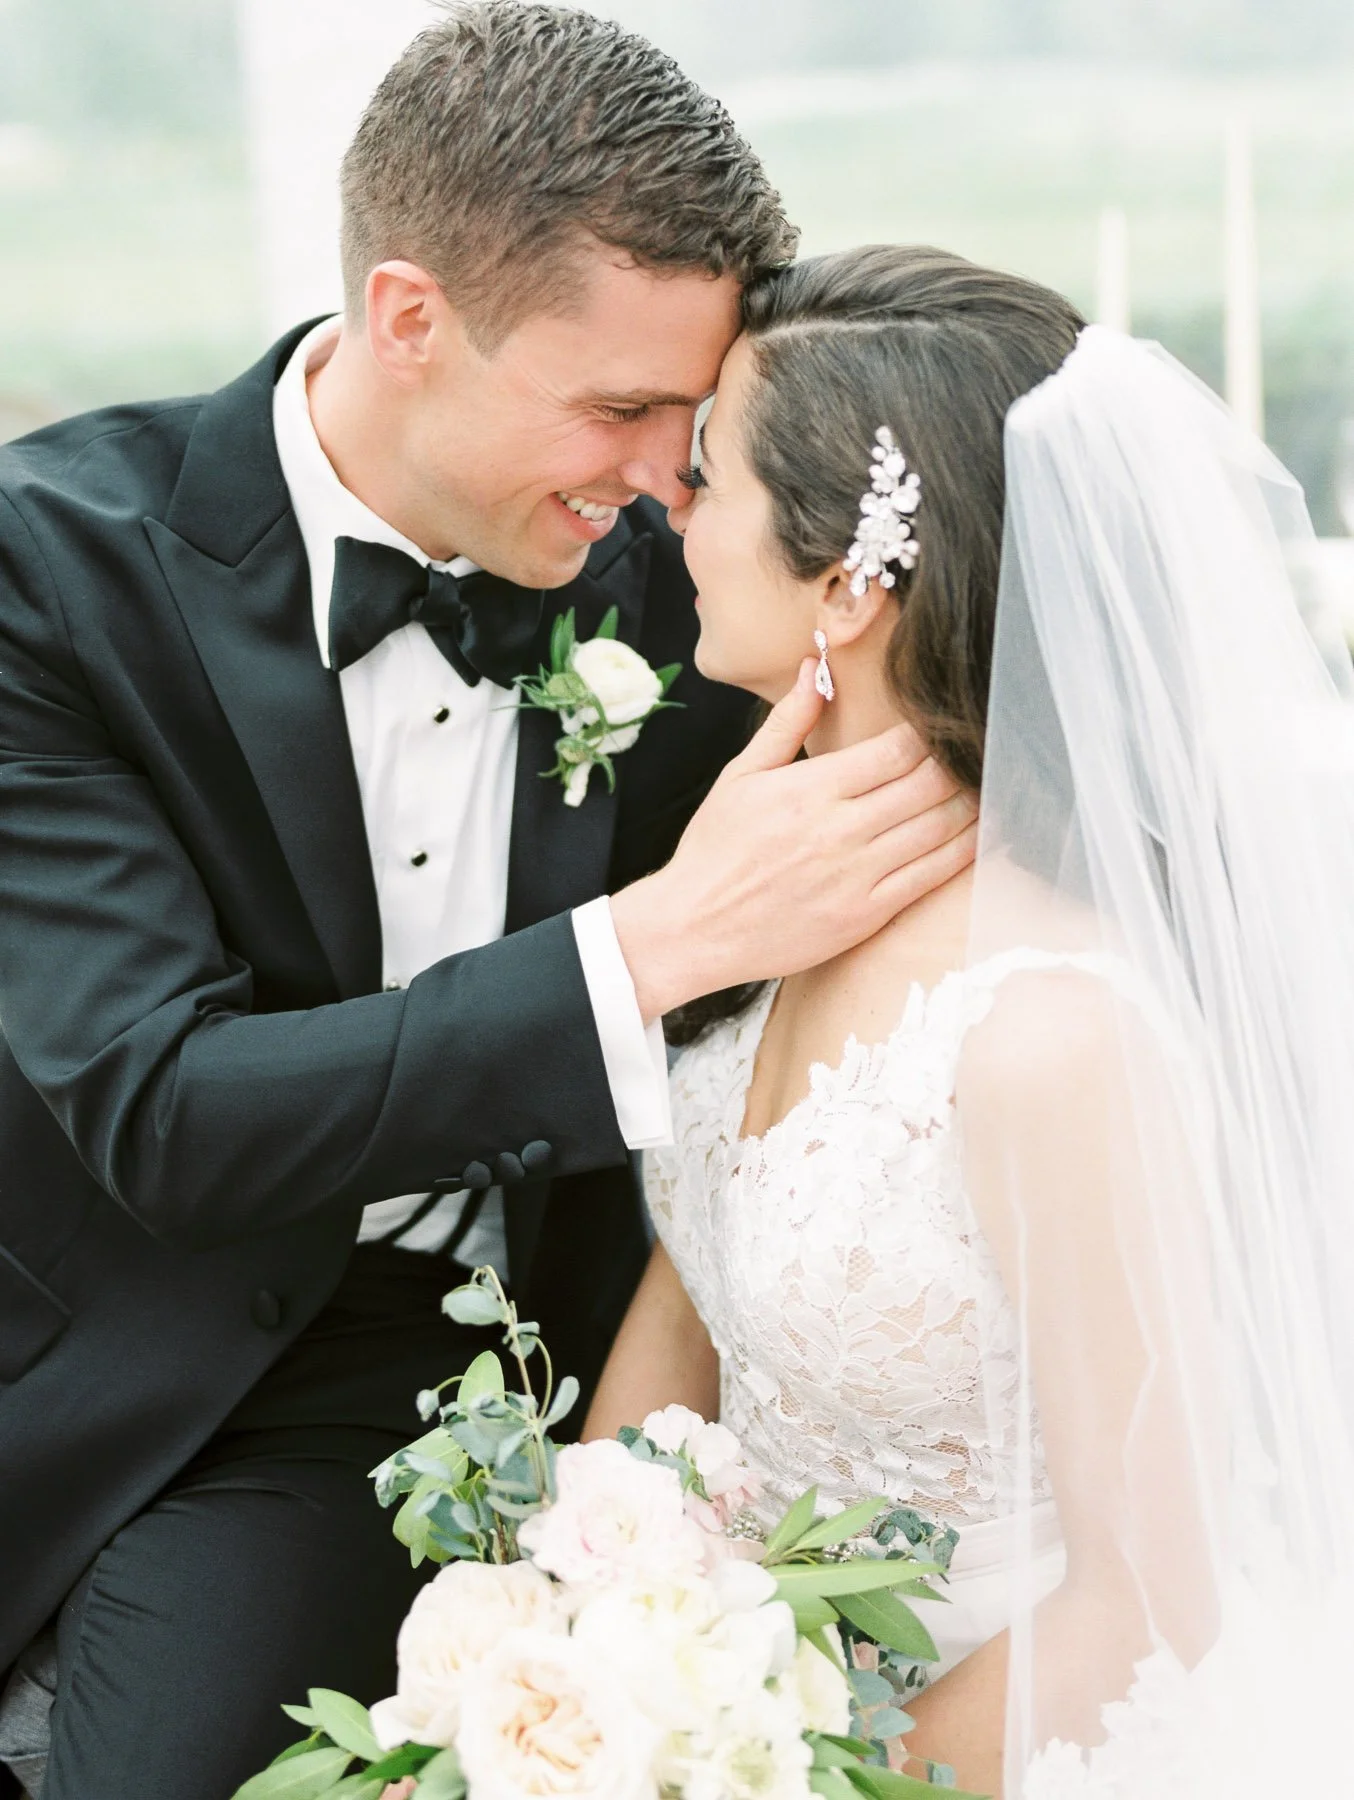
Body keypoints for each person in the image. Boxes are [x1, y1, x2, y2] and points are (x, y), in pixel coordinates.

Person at [0, 15, 980, 1799]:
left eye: (696, 417)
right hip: (152, 1308)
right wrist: (661, 940)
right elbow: (161, 1112)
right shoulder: (49, 573)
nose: (666, 472)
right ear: (407, 316)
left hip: (539, 1347)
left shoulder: (708, 565)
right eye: (617, 409)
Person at [586, 245, 1354, 1794]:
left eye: (709, 477)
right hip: (740, 1712)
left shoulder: (1051, 1031)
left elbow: (1148, 1604)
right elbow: (674, 1356)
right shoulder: (771, 898)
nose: (668, 509)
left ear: (851, 580)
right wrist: (561, 1695)